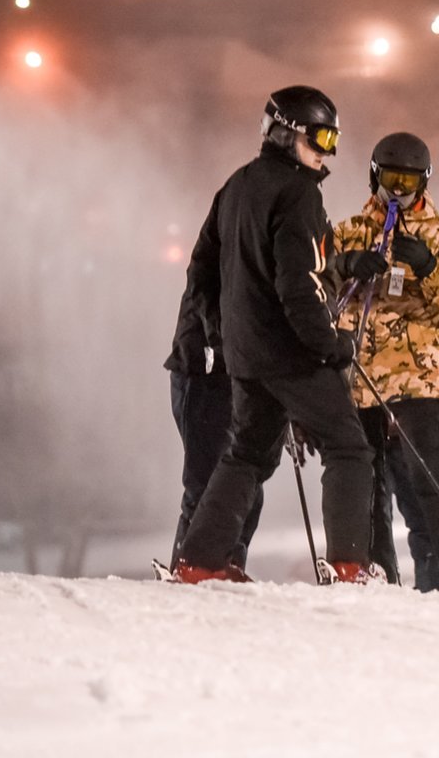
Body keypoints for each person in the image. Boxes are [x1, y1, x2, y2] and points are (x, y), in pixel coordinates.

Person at [173, 85, 375, 584]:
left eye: (333, 139)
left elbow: (201, 270)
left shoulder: (237, 185)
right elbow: (299, 285)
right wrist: (331, 345)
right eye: (321, 137)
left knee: (247, 453)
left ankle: (199, 562)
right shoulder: (298, 193)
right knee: (348, 446)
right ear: (287, 134)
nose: (327, 152)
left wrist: (225, 335)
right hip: (292, 350)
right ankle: (350, 566)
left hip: (247, 353)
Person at [334, 132, 439, 595]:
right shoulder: (349, 228)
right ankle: (374, 568)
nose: (400, 191)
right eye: (392, 180)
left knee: (424, 469)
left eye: (410, 181)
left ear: (425, 182)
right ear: (375, 176)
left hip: (415, 376)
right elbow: (317, 282)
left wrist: (428, 267)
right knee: (366, 476)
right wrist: (346, 263)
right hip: (359, 374)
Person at [164, 273, 263, 572]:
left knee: (246, 485)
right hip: (204, 372)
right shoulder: (226, 231)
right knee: (207, 481)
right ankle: (189, 567)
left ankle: (225, 565)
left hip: (235, 374)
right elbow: (202, 282)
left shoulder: (258, 238)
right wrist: (220, 342)